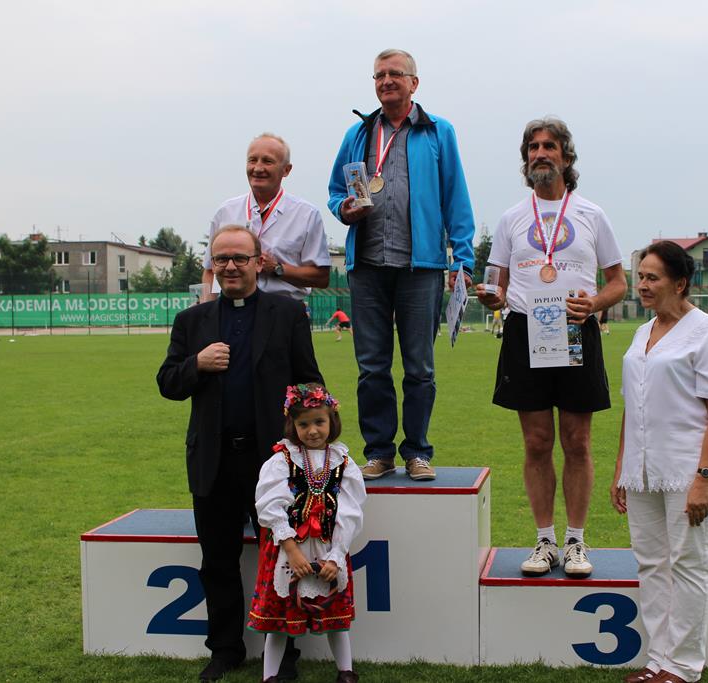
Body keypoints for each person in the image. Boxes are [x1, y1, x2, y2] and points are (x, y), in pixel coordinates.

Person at [157, 225, 323, 681]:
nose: (230, 266)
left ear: (257, 261)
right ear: (212, 265)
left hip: (272, 464)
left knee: (283, 558)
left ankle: (284, 654)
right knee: (217, 562)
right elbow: (167, 382)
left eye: (240, 258)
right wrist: (197, 364)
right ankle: (225, 649)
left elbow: (309, 379)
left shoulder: (287, 314)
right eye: (221, 259)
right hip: (213, 460)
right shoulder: (191, 321)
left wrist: (315, 429)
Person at [477, 117, 627, 579]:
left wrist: (594, 304)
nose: (540, 153)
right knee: (537, 442)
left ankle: (576, 541)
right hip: (526, 331)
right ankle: (544, 540)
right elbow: (497, 284)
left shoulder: (591, 214)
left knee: (577, 441)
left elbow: (618, 282)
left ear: (566, 156)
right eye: (533, 147)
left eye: (549, 146)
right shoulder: (511, 218)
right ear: (526, 158)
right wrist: (492, 297)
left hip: (575, 328)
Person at [327, 48, 475, 482]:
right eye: (379, 75)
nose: (386, 81)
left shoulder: (438, 132)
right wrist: (344, 208)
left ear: (414, 83)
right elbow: (335, 191)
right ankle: (379, 452)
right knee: (371, 367)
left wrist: (463, 259)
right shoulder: (358, 133)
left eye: (395, 74)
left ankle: (417, 451)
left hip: (421, 267)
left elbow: (456, 197)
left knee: (419, 368)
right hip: (367, 265)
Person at [611, 241, 708, 683]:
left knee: (687, 563)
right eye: (640, 277)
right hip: (642, 470)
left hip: (686, 469)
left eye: (653, 278)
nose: (642, 285)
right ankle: (658, 660)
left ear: (680, 283)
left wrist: (704, 479)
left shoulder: (706, 333)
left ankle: (682, 666)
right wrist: (622, 468)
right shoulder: (642, 332)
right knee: (650, 563)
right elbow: (632, 406)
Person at [248, 383, 366, 683]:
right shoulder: (282, 460)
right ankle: (270, 676)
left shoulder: (343, 463)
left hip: (328, 547)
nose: (312, 431)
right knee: (279, 622)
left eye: (319, 422)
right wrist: (292, 550)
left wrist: (336, 556)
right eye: (303, 424)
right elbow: (269, 505)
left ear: (332, 421)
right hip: (288, 550)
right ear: (293, 425)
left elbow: (350, 512)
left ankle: (345, 671)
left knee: (335, 617)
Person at [202, 133, 331, 302]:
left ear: (286, 170)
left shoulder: (306, 214)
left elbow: (321, 278)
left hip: (283, 309)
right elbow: (210, 270)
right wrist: (208, 310)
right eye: (252, 160)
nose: (257, 168)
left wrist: (277, 269)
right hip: (233, 308)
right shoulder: (226, 212)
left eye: (267, 161)